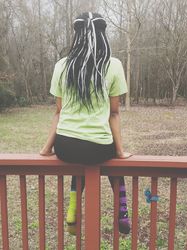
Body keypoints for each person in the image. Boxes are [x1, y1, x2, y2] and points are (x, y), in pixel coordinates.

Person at [40, 12, 132, 235]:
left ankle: (73, 209)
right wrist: (119, 151)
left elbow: (59, 112)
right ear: (102, 34)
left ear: (77, 34)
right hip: (98, 148)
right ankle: (122, 210)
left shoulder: (62, 65)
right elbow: (114, 114)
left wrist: (46, 148)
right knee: (102, 150)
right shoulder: (113, 65)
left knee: (78, 145)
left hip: (65, 146)